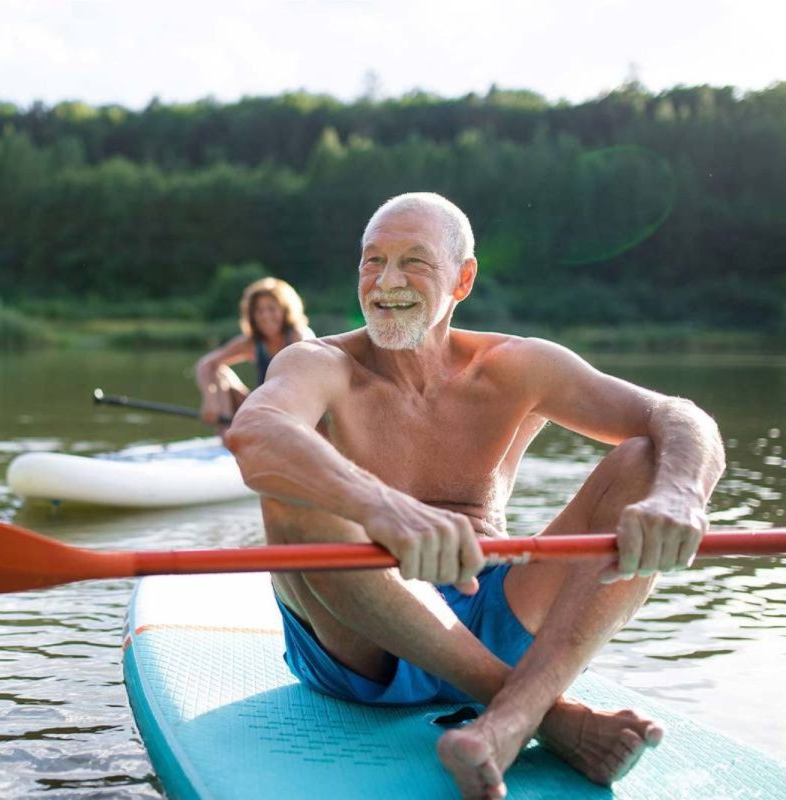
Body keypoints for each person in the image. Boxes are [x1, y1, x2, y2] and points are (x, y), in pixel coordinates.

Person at [224, 192, 724, 800]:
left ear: (463, 280)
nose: (386, 281)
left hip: (495, 607)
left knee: (648, 456)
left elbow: (677, 415)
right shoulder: (319, 362)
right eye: (372, 261)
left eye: (414, 262)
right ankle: (543, 713)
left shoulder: (516, 366)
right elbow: (255, 432)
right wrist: (383, 507)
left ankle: (510, 721)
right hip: (361, 638)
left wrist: (678, 495)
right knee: (291, 488)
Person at [195, 277, 315, 427]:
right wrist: (210, 400)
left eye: (272, 309)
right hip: (262, 411)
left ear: (285, 310)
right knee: (219, 372)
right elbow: (205, 364)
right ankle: (227, 431)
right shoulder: (252, 343)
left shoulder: (299, 337)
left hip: (296, 415)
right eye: (259, 310)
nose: (265, 316)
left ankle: (234, 433)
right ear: (252, 315)